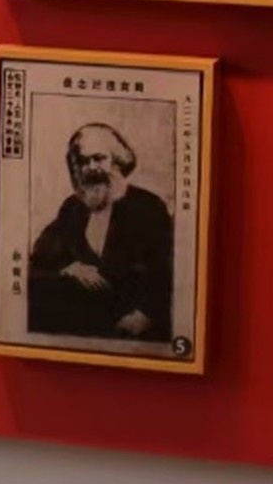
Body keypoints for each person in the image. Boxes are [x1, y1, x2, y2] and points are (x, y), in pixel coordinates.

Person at [27, 122, 173, 342]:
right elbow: (41, 254)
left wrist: (144, 316)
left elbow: (165, 273)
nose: (91, 168)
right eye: (83, 161)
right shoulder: (73, 208)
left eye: (99, 158)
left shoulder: (148, 207)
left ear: (117, 161)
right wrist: (70, 267)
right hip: (84, 324)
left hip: (133, 327)